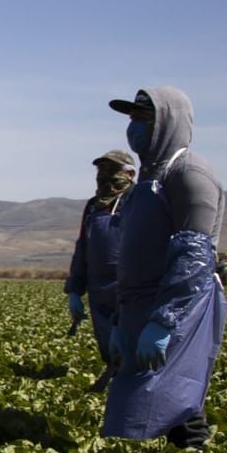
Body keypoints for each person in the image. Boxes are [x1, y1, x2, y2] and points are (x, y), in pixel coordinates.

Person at [103, 87, 225, 449]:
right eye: (132, 119)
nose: (134, 127)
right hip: (139, 303)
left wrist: (165, 320)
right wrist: (120, 318)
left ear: (168, 123)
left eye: (144, 118)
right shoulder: (147, 180)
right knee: (142, 394)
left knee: (178, 397)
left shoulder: (189, 174)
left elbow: (194, 255)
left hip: (177, 304)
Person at [65, 148, 136, 380]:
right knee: (107, 345)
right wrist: (75, 290)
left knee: (131, 348)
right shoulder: (93, 206)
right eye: (101, 173)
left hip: (131, 288)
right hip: (99, 291)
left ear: (130, 175)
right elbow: (83, 247)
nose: (106, 179)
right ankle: (114, 378)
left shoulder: (138, 202)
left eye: (113, 173)